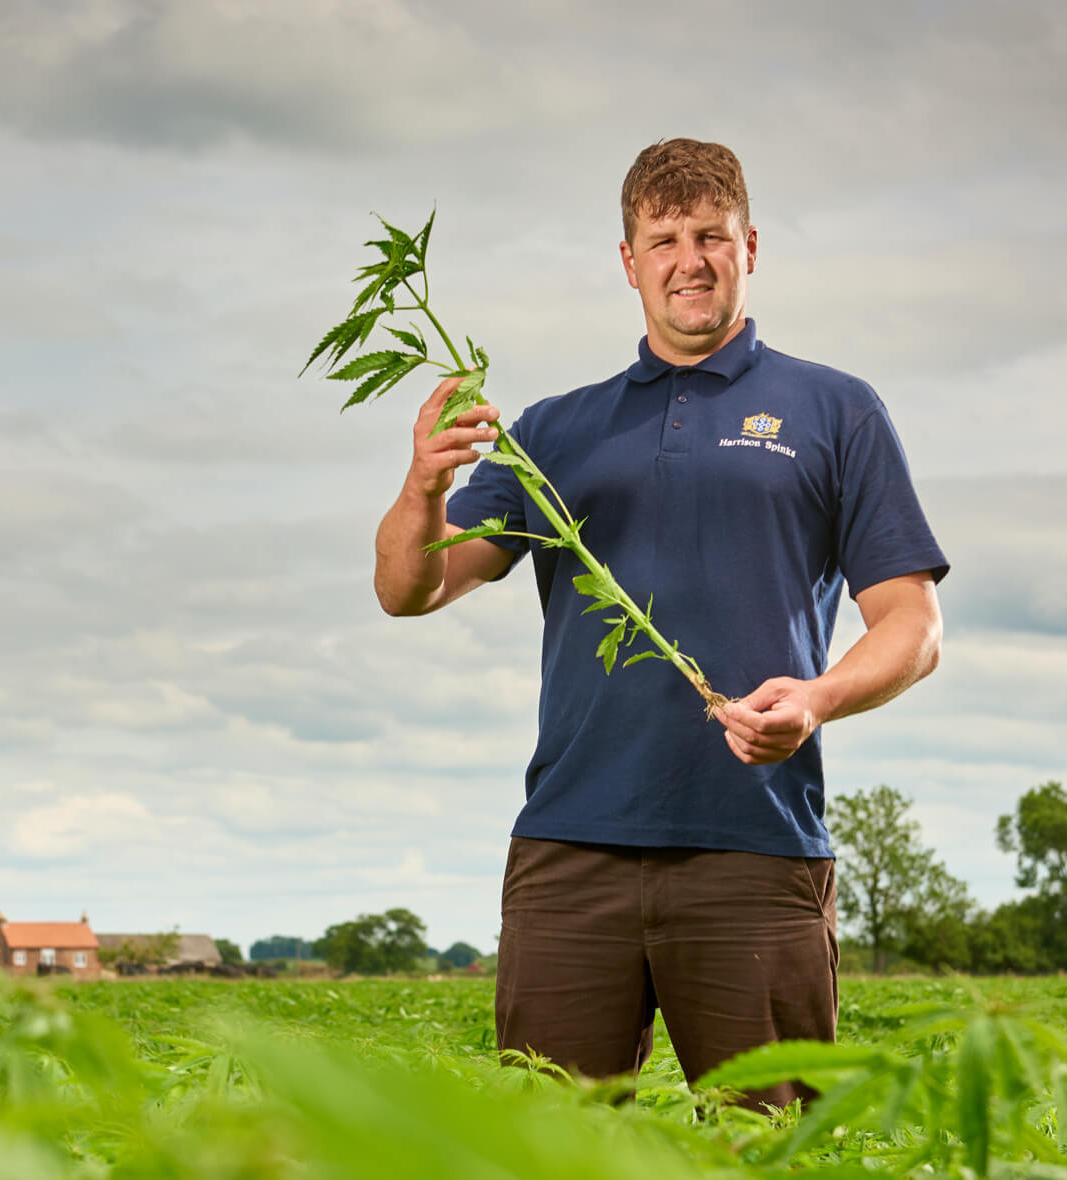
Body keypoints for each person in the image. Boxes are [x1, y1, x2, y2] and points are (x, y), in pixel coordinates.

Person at [371, 138, 949, 1108]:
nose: (691, 258)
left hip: (756, 847)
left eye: (712, 235)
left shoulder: (835, 409)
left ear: (750, 247)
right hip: (571, 849)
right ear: (629, 259)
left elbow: (913, 624)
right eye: (666, 238)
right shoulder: (555, 430)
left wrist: (814, 699)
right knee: (547, 1150)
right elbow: (411, 587)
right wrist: (426, 482)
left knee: (774, 1149)